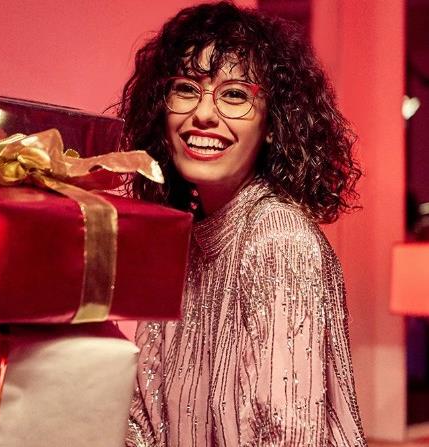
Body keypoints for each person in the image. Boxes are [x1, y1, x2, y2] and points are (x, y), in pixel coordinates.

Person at [117, 2, 366, 446]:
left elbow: (286, 438)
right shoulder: (185, 240)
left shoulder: (278, 240)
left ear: (273, 123)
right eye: (186, 88)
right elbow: (144, 421)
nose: (203, 114)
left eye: (234, 95)